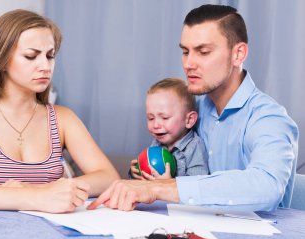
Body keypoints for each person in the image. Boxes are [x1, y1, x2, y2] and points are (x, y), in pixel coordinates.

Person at [88, 4, 299, 212]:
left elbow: (268, 186)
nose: (189, 63)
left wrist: (160, 187)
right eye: (185, 51)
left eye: (203, 52)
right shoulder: (192, 111)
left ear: (238, 54)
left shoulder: (269, 119)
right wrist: (145, 173)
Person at [0, 9, 120, 214]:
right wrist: (35, 197)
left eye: (50, 56)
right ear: (1, 60)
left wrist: (40, 190)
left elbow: (108, 177)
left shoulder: (63, 119)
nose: (45, 66)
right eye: (31, 56)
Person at [129, 77, 208, 180]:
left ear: (189, 120)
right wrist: (135, 173)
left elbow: (198, 186)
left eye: (165, 117)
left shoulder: (194, 147)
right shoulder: (156, 144)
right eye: (150, 118)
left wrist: (168, 183)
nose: (156, 125)